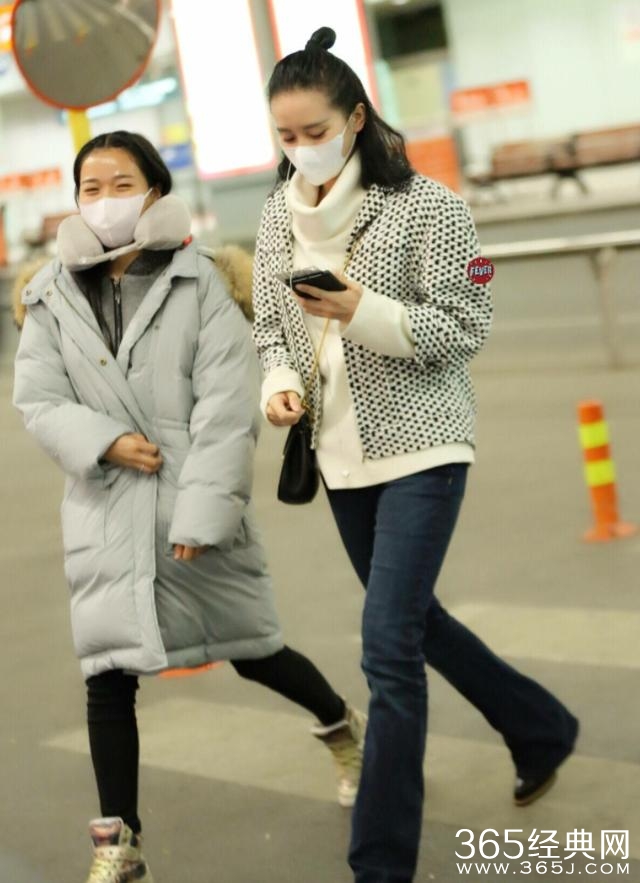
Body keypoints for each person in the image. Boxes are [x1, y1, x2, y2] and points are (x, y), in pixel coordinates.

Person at [252, 28, 579, 883]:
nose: (300, 148)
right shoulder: (277, 213)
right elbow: (270, 325)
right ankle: (541, 727)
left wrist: (360, 310)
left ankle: (381, 860)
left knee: (388, 645)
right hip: (337, 453)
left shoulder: (428, 206)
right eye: (285, 135)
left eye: (314, 131)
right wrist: (280, 380)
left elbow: (465, 326)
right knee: (415, 622)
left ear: (356, 119)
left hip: (424, 445)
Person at [12, 130, 366, 883]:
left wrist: (202, 516)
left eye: (121, 184)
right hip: (106, 509)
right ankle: (119, 844)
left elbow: (225, 407)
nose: (105, 200)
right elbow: (37, 398)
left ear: (155, 192)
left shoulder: (199, 279)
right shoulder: (50, 294)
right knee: (108, 674)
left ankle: (341, 724)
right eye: (91, 187)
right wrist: (105, 441)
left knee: (254, 649)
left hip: (189, 501)